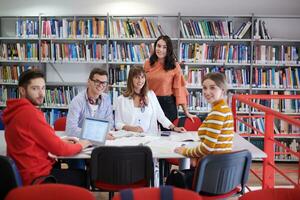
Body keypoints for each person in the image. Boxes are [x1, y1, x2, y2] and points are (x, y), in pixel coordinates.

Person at [2, 69, 91, 186]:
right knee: (83, 177)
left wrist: (58, 141)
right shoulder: (30, 114)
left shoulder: (16, 110)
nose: (41, 94)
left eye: (43, 88)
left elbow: (34, 141)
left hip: (24, 174)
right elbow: (60, 150)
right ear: (22, 90)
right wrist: (82, 145)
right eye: (35, 88)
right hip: (37, 179)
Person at [173, 72, 234, 188]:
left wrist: (186, 152)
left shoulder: (217, 112)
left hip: (211, 174)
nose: (207, 92)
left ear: (222, 89)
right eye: (204, 88)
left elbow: (207, 148)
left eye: (212, 88)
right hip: (220, 171)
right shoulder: (224, 108)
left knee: (174, 183)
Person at [144, 35, 196, 130]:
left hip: (167, 103)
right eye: (158, 46)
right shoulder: (147, 63)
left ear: (169, 50)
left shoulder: (174, 66)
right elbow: (143, 85)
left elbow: (179, 90)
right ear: (155, 46)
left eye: (165, 47)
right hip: (150, 102)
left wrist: (186, 112)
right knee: (149, 133)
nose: (161, 49)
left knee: (169, 135)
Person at [115, 66, 186, 133]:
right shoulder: (121, 99)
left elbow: (160, 116)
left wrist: (173, 127)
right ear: (131, 79)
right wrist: (132, 129)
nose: (140, 80)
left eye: (142, 77)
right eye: (136, 77)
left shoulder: (151, 95)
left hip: (150, 137)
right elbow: (117, 124)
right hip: (129, 138)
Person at [66, 68, 114, 138]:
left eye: (104, 83)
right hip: (81, 141)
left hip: (100, 141)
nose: (101, 85)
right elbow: (70, 130)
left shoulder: (106, 99)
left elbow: (110, 123)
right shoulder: (77, 101)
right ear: (89, 81)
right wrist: (98, 134)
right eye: (97, 81)